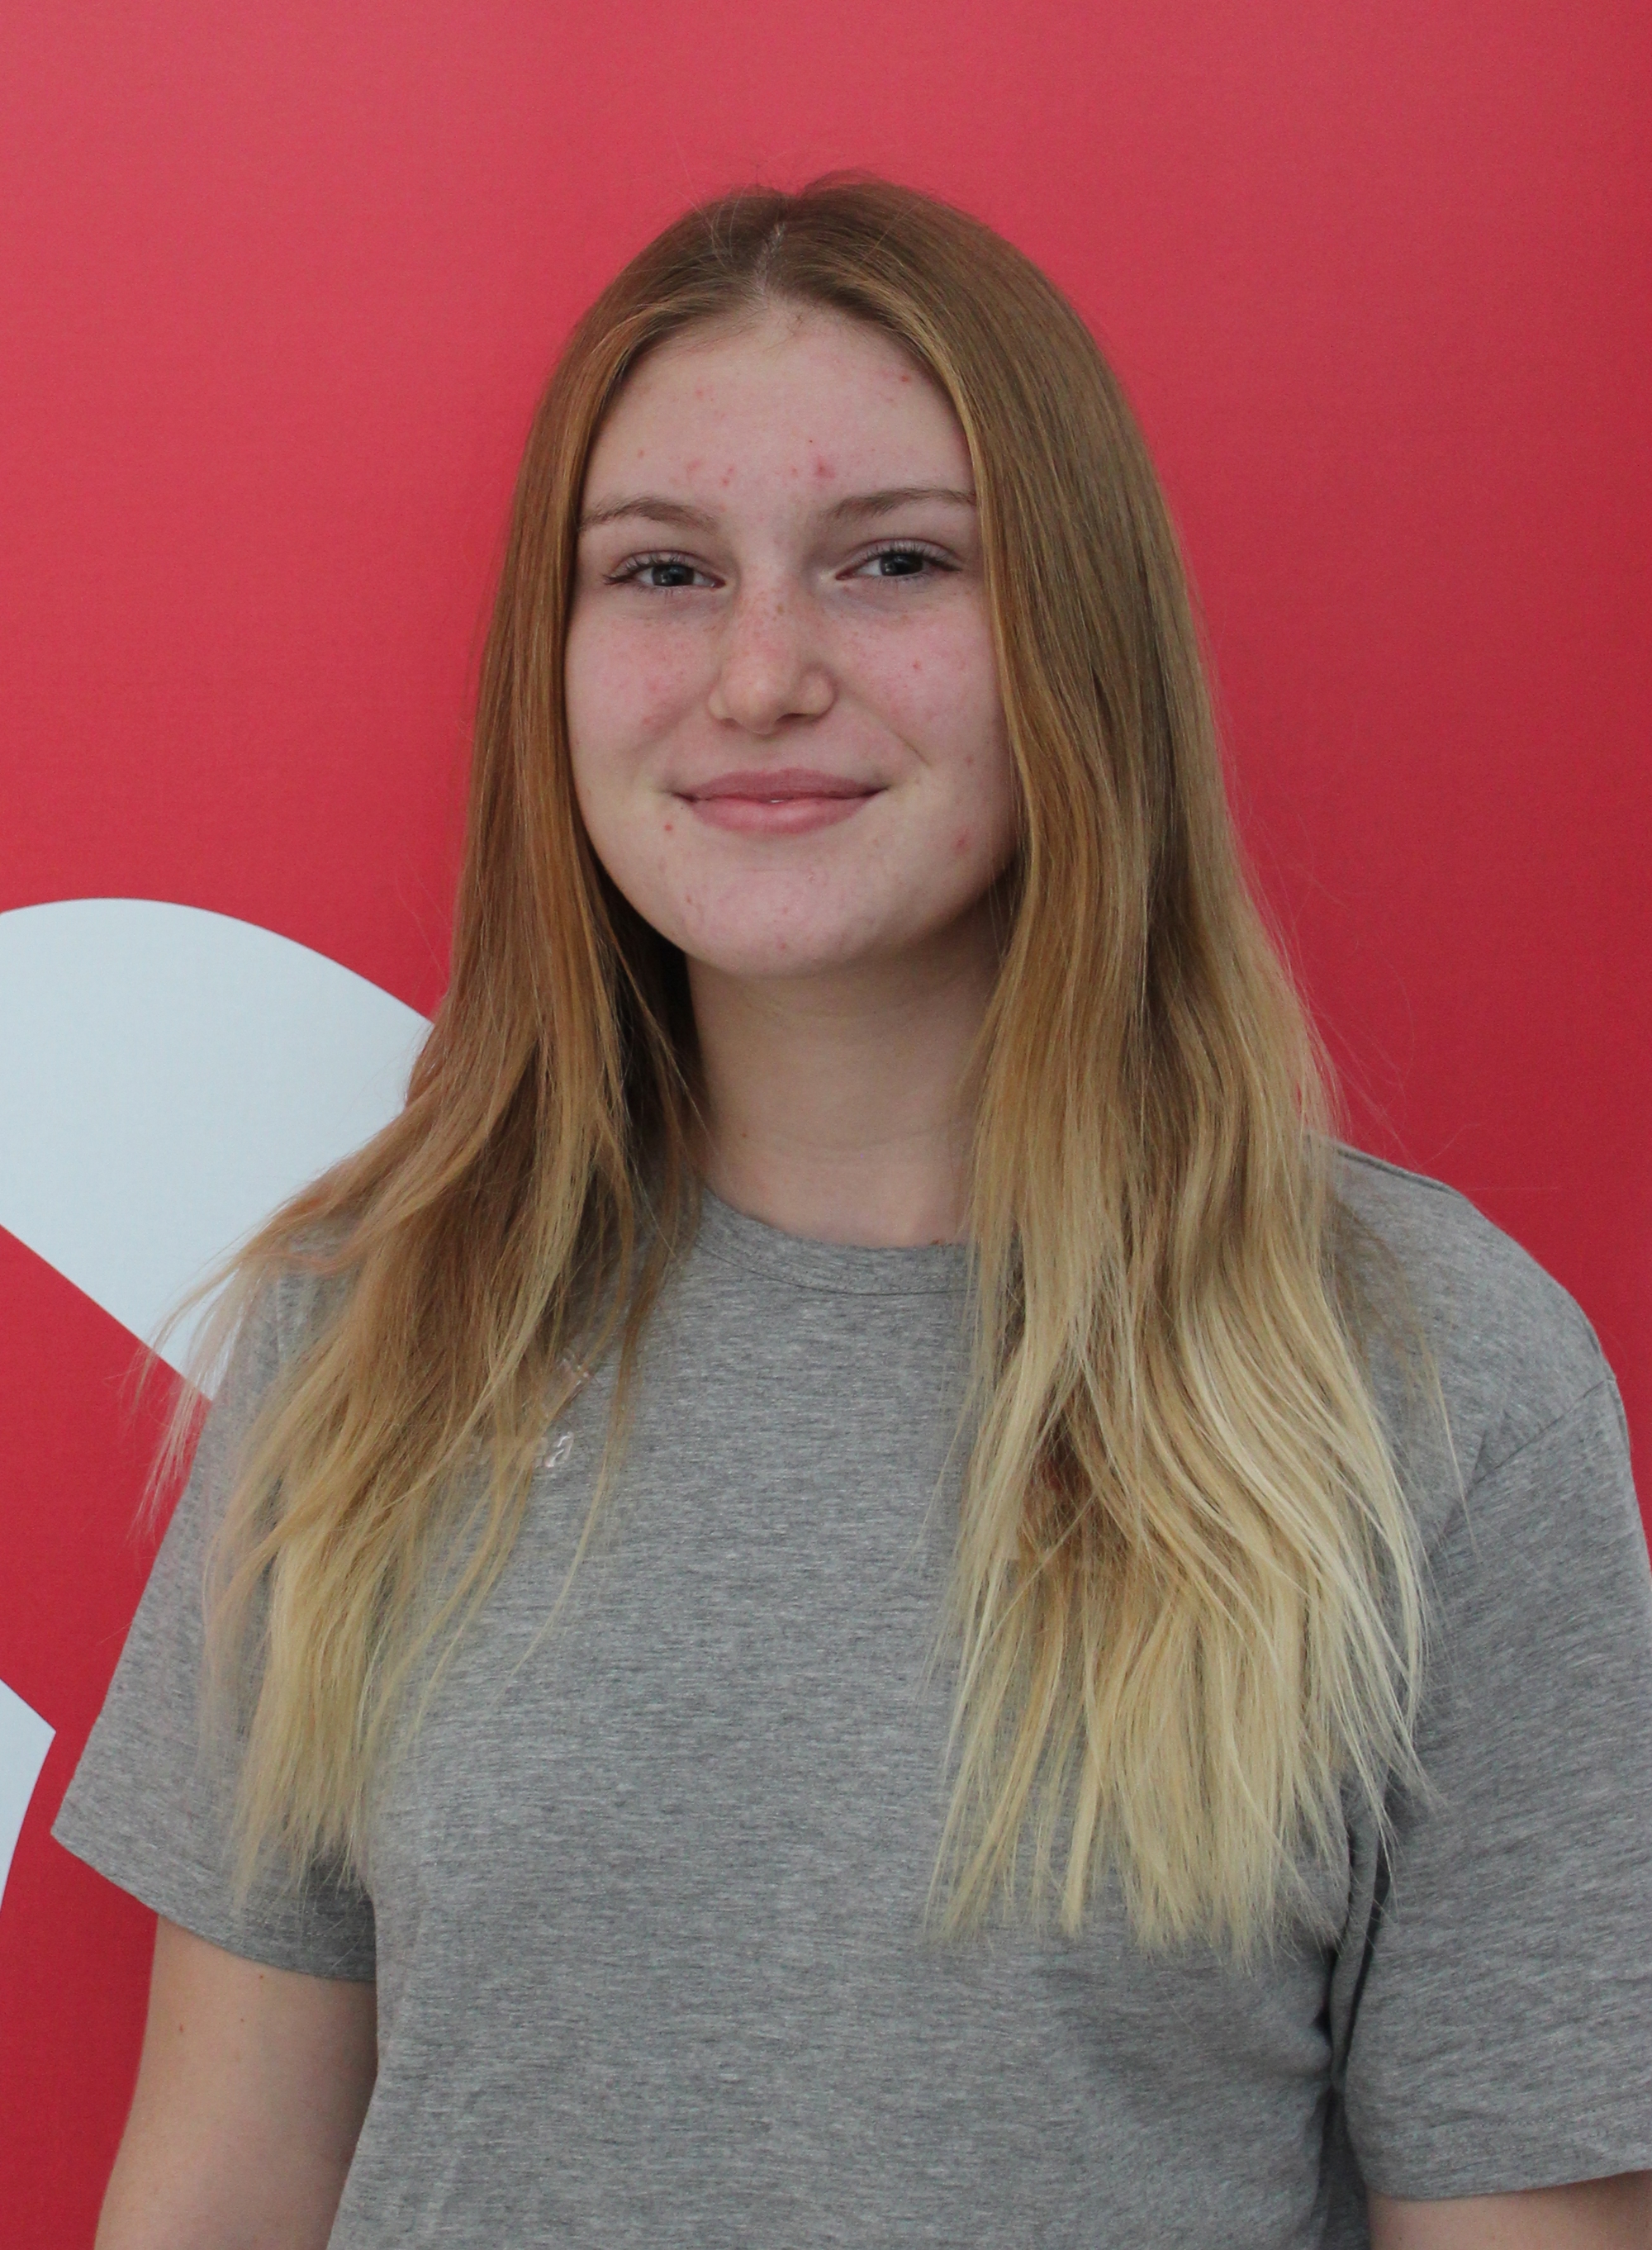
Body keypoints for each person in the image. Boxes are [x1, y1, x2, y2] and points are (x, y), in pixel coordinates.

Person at [55, 178, 1652, 2249]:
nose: (759, 676)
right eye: (662, 571)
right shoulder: (376, 1327)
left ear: (1076, 635)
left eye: (895, 560)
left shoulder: (1432, 1383)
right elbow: (225, 2182)